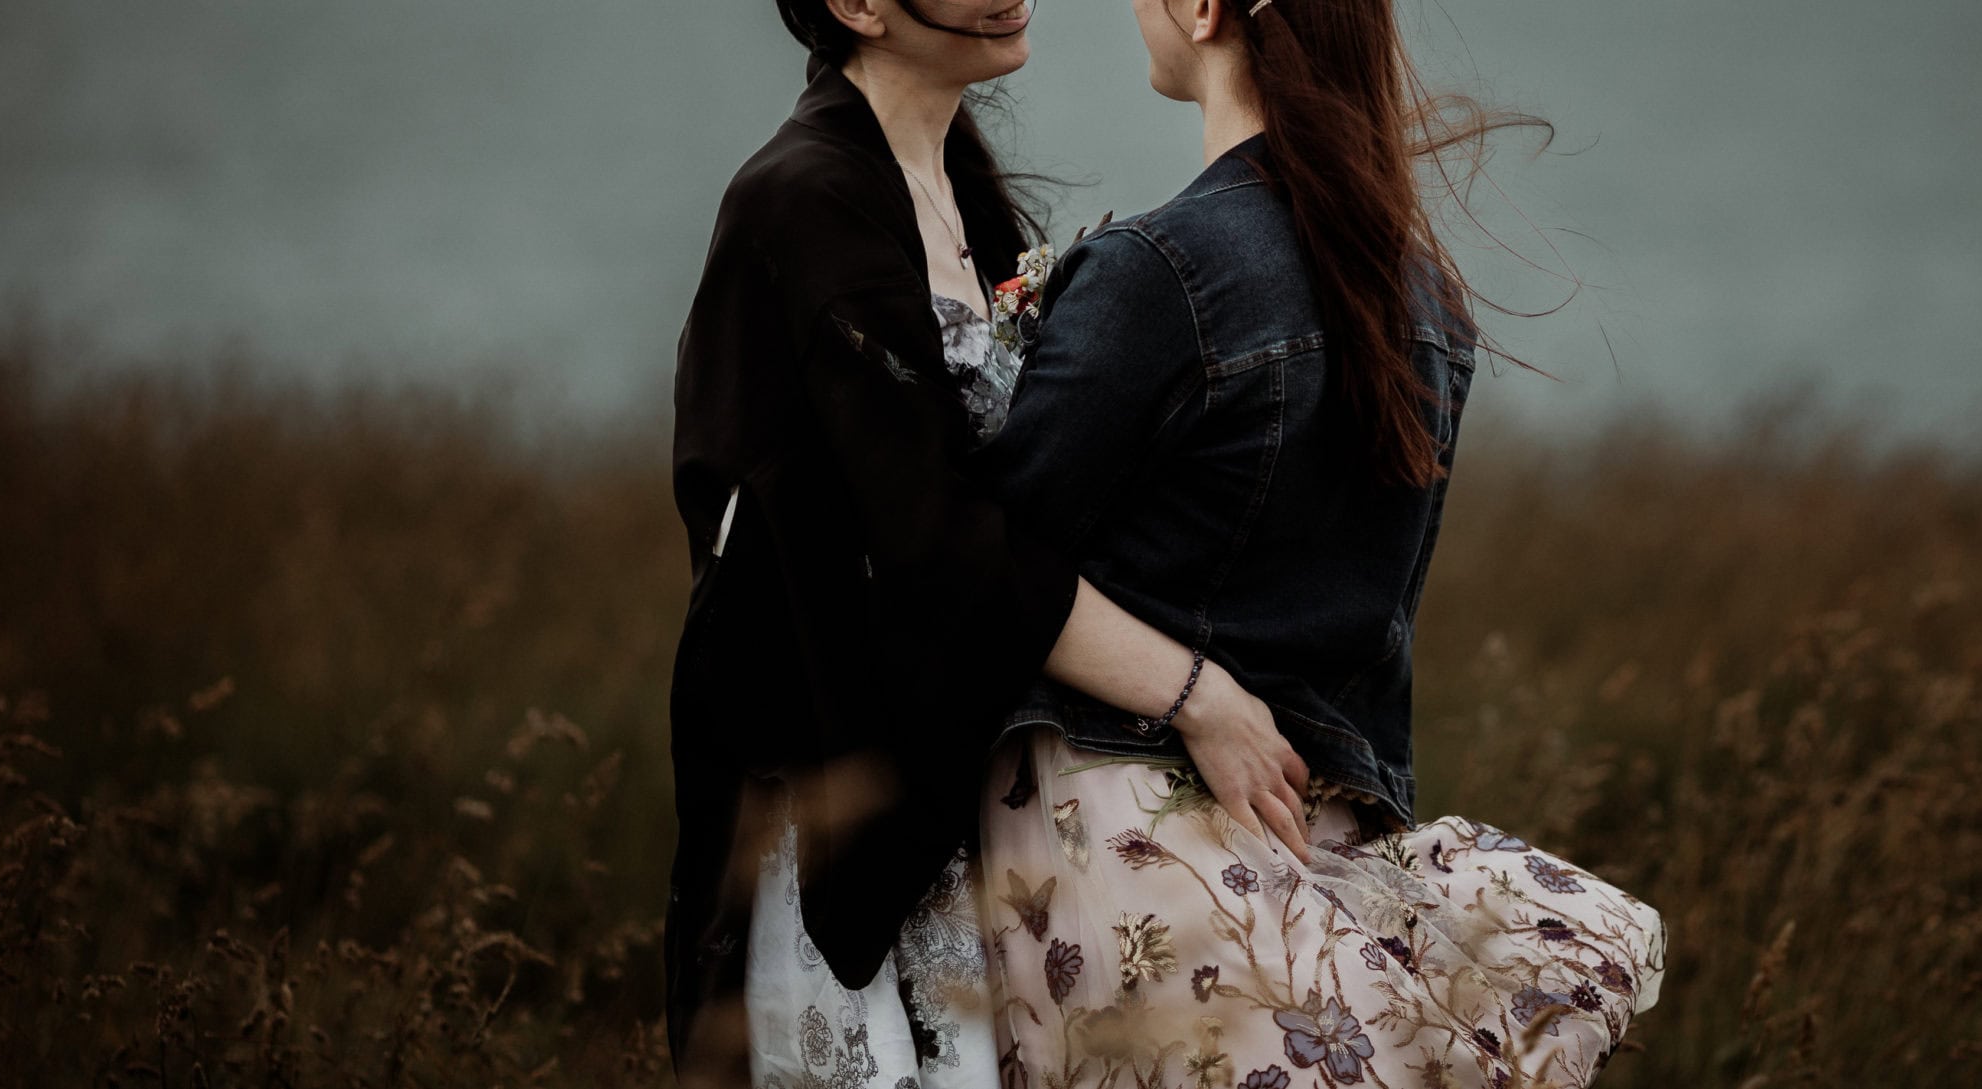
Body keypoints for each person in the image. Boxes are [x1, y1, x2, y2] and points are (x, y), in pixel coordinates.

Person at [961, 0, 1670, 1088]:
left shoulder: (1164, 270)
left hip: (1123, 848)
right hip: (1316, 849)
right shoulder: (1424, 297)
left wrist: (1189, 693)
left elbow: (982, 559)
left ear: (1202, 10)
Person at [662, 0, 1311, 1084]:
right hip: (846, 799)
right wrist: (1197, 695)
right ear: (856, 6)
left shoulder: (962, 191)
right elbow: (937, 541)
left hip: (964, 784)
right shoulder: (801, 199)